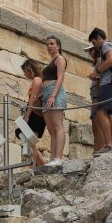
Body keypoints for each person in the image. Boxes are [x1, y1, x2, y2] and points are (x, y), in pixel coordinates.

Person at [88, 28, 112, 154]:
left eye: (94, 42)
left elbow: (111, 60)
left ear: (98, 38)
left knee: (101, 112)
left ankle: (109, 145)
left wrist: (97, 71)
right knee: (110, 115)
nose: (94, 46)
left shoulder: (106, 45)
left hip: (109, 82)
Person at [40, 35, 67, 167]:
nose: (49, 46)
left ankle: (58, 158)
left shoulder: (60, 58)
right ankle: (53, 158)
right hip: (46, 94)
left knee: (58, 126)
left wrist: (53, 95)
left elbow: (60, 78)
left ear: (58, 46)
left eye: (52, 44)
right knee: (51, 129)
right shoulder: (51, 61)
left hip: (54, 93)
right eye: (47, 44)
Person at [19, 59, 48, 167]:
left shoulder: (36, 80)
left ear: (29, 70)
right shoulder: (40, 80)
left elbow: (32, 99)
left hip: (34, 114)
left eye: (25, 71)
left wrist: (27, 116)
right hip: (37, 114)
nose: (24, 74)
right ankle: (43, 164)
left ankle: (33, 167)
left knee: (30, 142)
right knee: (30, 142)